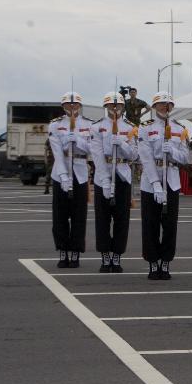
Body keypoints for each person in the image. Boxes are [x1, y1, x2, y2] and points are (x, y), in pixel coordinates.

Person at [136, 93, 192, 280]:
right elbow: (145, 157)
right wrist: (155, 184)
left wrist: (174, 151)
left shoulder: (180, 129)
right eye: (160, 104)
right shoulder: (146, 128)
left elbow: (186, 157)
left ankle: (166, 262)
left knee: (169, 225)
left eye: (167, 104)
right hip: (151, 181)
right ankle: (153, 262)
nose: (164, 107)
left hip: (173, 179)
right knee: (150, 224)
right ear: (154, 106)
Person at [90, 92, 136, 273]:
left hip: (123, 174)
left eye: (117, 106)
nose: (114, 108)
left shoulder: (130, 127)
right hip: (104, 175)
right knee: (102, 219)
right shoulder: (97, 127)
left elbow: (134, 155)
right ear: (106, 107)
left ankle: (117, 255)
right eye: (111, 106)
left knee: (121, 218)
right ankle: (105, 255)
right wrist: (105, 181)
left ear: (123, 107)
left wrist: (122, 144)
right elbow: (97, 155)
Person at [48, 91, 92, 269]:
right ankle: (63, 250)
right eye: (68, 104)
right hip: (60, 172)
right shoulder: (55, 125)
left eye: (75, 105)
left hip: (80, 171)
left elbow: (92, 148)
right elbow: (57, 153)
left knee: (78, 216)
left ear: (80, 106)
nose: (72, 107)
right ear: (63, 106)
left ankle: (75, 251)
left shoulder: (89, 124)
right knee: (60, 216)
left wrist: (79, 141)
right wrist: (64, 176)